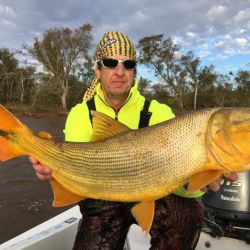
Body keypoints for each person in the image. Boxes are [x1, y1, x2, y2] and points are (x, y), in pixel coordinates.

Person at [31, 31, 237, 250]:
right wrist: (51, 169)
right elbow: (75, 171)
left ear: (134, 71)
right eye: (111, 63)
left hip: (152, 198)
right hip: (101, 202)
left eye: (128, 64)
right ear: (98, 70)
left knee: (190, 213)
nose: (120, 72)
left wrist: (202, 180)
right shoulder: (81, 114)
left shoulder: (158, 113)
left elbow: (180, 183)